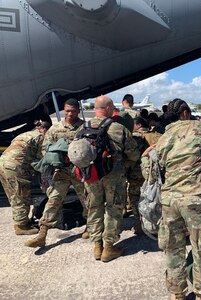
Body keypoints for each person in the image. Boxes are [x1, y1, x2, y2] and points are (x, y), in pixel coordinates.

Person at [141, 98, 201, 300]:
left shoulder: (164, 137)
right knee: (200, 248)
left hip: (170, 200)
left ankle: (177, 294)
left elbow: (159, 166)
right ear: (184, 112)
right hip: (194, 198)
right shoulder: (199, 128)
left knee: (173, 249)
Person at [25, 99, 88, 248]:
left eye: (73, 110)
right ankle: (42, 234)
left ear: (78, 110)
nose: (69, 113)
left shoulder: (84, 128)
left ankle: (90, 227)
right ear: (63, 110)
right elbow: (45, 148)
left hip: (80, 172)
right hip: (62, 173)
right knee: (53, 200)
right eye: (67, 110)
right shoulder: (55, 129)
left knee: (88, 200)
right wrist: (56, 155)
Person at [85, 95, 140, 262]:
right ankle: (109, 248)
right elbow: (133, 154)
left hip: (91, 175)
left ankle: (97, 246)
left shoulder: (84, 127)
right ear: (108, 109)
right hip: (113, 176)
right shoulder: (117, 128)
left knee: (94, 208)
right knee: (113, 209)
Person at [0, 121, 51, 235]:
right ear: (45, 130)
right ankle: (22, 227)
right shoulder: (40, 138)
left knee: (13, 195)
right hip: (15, 168)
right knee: (21, 195)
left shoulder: (25, 134)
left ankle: (21, 221)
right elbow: (41, 160)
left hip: (3, 164)